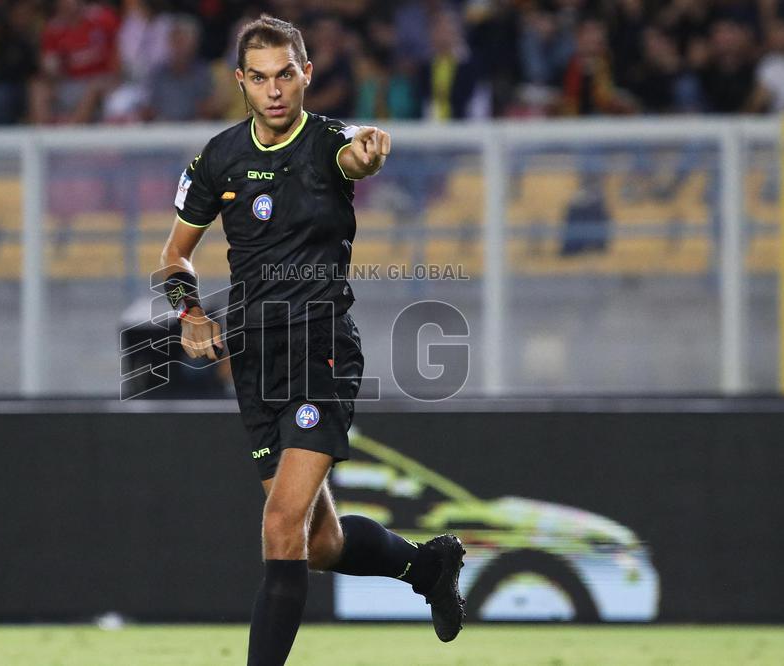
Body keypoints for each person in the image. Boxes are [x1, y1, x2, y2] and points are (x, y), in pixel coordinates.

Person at [158, 14, 465, 666]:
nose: (274, 91)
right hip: (254, 361)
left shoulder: (328, 142)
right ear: (241, 81)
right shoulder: (217, 159)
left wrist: (370, 149)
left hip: (320, 351)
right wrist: (188, 312)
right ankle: (426, 568)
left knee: (278, 526)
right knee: (318, 543)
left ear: (307, 75)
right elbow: (174, 258)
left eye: (286, 75)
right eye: (260, 78)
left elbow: (357, 148)